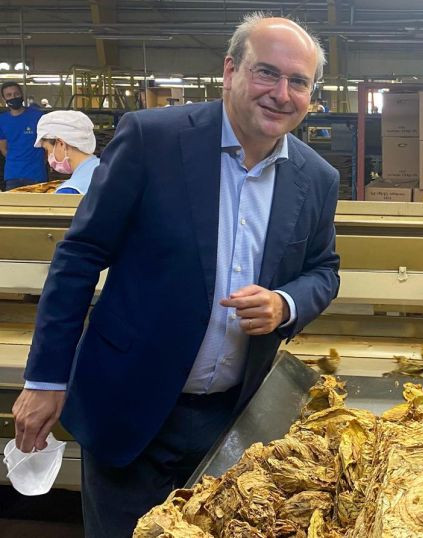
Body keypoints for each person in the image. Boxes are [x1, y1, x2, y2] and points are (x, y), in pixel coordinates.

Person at [12, 13, 340, 537]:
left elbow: (323, 270)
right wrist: (47, 379)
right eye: (266, 73)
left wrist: (285, 303)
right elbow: (80, 255)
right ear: (230, 70)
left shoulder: (317, 178)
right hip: (130, 407)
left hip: (231, 422)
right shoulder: (153, 139)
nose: (281, 94)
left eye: (298, 82)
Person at [34, 110, 100, 194]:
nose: (47, 157)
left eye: (47, 150)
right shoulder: (107, 168)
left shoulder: (70, 190)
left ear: (61, 144)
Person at [0, 82, 47, 190]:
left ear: (22, 94)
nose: (13, 97)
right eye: (9, 95)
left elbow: (47, 143)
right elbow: (3, 148)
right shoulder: (2, 120)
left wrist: (40, 161)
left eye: (16, 94)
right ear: (4, 99)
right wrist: (17, 160)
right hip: (12, 175)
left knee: (38, 201)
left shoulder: (37, 116)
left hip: (36, 174)